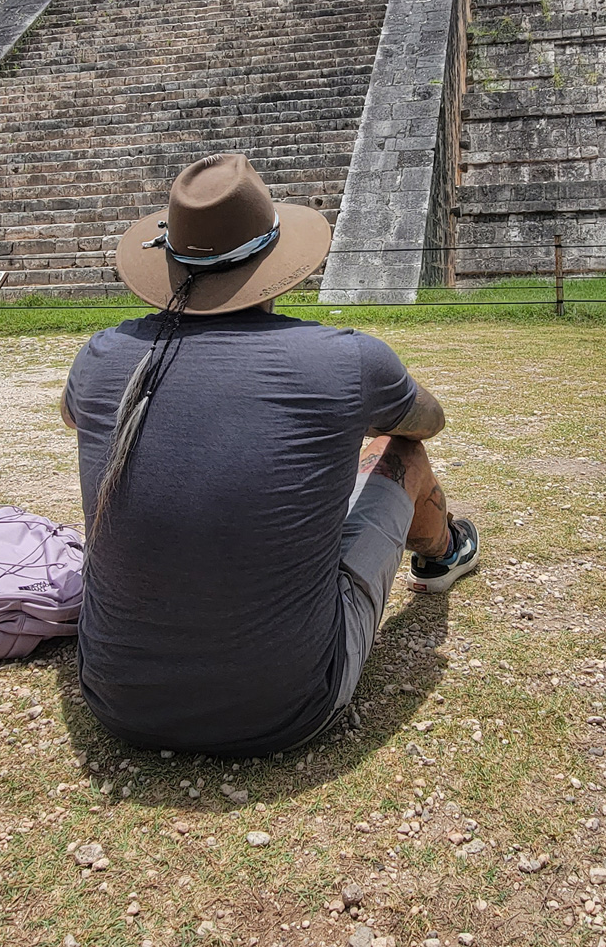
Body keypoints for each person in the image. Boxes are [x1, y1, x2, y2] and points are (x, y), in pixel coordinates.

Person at [59, 151, 479, 757]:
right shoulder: (347, 359)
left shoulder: (101, 355)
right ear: (275, 261)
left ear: (170, 260)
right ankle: (443, 555)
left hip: (117, 702)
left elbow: (73, 415)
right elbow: (427, 422)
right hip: (289, 709)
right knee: (402, 453)